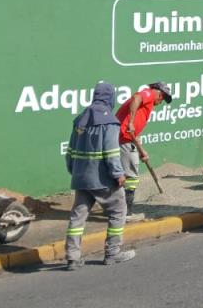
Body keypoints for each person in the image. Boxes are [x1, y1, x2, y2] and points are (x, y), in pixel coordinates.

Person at [64, 81, 135, 270]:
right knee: (118, 211)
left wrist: (74, 170)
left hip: (81, 177)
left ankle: (72, 257)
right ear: (110, 98)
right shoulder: (110, 122)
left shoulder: (80, 119)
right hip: (102, 179)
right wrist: (118, 174)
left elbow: (70, 151)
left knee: (78, 217)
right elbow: (111, 152)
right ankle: (113, 253)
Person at [115, 81, 173, 222]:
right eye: (163, 97)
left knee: (121, 175)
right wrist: (130, 122)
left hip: (127, 139)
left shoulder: (149, 103)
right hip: (124, 138)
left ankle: (117, 209)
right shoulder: (149, 94)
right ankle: (126, 213)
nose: (161, 101)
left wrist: (141, 149)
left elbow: (135, 128)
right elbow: (136, 98)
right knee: (131, 177)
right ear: (159, 93)